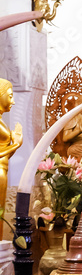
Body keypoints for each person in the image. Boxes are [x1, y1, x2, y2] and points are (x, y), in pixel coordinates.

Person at [0, 78, 22, 215]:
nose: (13, 102)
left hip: (3, 169)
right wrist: (16, 144)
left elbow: (4, 153)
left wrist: (14, 145)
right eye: (10, 96)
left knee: (1, 211)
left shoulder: (2, 122)